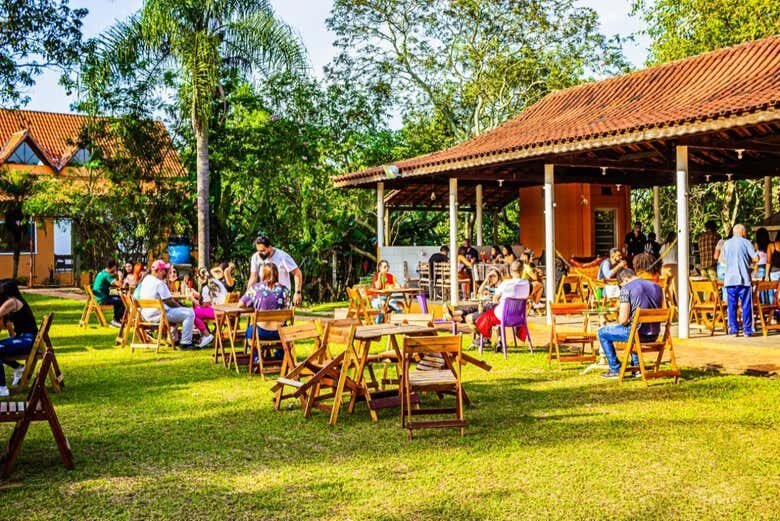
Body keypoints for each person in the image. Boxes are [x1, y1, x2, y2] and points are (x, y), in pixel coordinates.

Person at [597, 269, 663, 378]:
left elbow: (623, 320)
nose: (620, 289)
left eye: (620, 286)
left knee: (602, 331)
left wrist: (618, 314)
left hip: (637, 334)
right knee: (632, 329)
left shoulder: (626, 289)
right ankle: (636, 368)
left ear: (624, 279)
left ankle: (615, 369)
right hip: (654, 334)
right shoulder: (657, 287)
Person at [137, 260, 211, 350]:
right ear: (160, 271)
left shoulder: (147, 279)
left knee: (178, 312)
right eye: (165, 270)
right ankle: (186, 343)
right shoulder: (159, 283)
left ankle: (174, 340)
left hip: (146, 315)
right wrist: (182, 307)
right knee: (189, 313)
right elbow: (170, 302)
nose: (166, 272)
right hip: (159, 316)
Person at [474, 260, 530, 350]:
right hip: (519, 317)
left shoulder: (506, 283)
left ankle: (486, 339)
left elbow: (495, 299)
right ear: (523, 270)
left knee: (483, 317)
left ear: (511, 271)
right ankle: (498, 340)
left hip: (502, 316)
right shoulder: (527, 284)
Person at [0, 280, 38, 397]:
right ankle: (17, 367)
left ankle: (2, 388)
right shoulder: (17, 301)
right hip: (25, 338)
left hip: (27, 340)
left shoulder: (12, 301)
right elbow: (10, 327)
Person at [240, 263, 291, 349]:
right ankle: (281, 355)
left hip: (261, 331)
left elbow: (241, 304)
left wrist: (253, 305)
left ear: (263, 274)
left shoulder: (256, 289)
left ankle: (256, 356)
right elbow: (288, 309)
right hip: (280, 332)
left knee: (249, 332)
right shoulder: (284, 290)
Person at [722, 224, 758, 336]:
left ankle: (733, 330)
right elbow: (755, 258)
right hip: (744, 279)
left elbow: (723, 260)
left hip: (730, 280)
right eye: (745, 232)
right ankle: (747, 330)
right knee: (746, 305)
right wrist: (751, 262)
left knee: (731, 306)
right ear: (742, 232)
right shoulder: (746, 242)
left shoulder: (726, 244)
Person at [247, 234, 303, 306]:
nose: (260, 253)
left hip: (282, 296)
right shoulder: (256, 257)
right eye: (258, 251)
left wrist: (297, 292)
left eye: (263, 251)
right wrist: (248, 293)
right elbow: (253, 277)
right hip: (264, 295)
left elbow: (297, 272)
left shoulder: (282, 256)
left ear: (270, 247)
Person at [92, 258, 124, 327]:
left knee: (118, 298)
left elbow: (110, 281)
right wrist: (120, 276)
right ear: (114, 266)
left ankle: (118, 320)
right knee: (121, 301)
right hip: (102, 299)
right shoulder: (107, 275)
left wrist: (114, 274)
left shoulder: (101, 273)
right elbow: (119, 285)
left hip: (97, 298)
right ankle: (116, 320)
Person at [660, 231, 678, 305]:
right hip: (674, 266)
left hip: (664, 267)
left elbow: (661, 256)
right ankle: (678, 304)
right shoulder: (676, 246)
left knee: (666, 287)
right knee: (675, 287)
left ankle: (669, 305)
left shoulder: (663, 246)